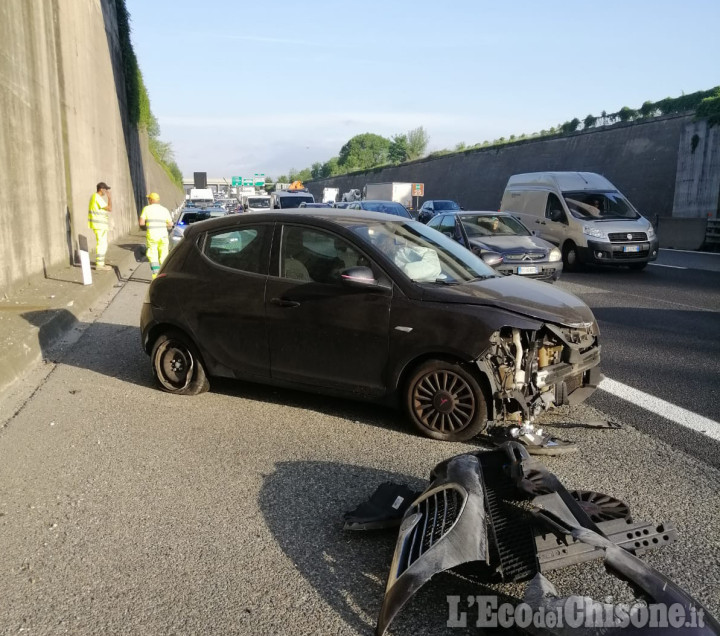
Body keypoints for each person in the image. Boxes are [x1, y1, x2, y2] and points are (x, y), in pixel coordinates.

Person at [139, 192, 173, 279]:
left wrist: (148, 226)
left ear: (151, 200)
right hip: (163, 236)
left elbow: (141, 223)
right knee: (164, 255)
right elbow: (170, 224)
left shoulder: (146, 209)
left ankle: (155, 276)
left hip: (152, 236)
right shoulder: (165, 210)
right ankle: (164, 275)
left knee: (153, 255)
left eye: (148, 199)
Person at [88, 182, 112, 270]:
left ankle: (100, 263)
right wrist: (109, 198)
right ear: (101, 189)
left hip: (99, 225)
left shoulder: (95, 197)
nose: (107, 191)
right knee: (102, 244)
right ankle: (100, 265)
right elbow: (109, 208)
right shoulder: (97, 197)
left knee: (102, 243)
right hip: (99, 225)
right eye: (106, 189)